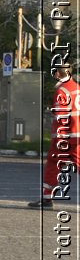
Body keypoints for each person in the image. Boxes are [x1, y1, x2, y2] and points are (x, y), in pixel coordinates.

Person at [33, 63, 79, 207]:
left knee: (53, 164)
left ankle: (47, 197)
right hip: (77, 134)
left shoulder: (62, 90)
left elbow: (61, 116)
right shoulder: (77, 87)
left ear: (58, 74)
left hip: (65, 136)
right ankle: (46, 196)